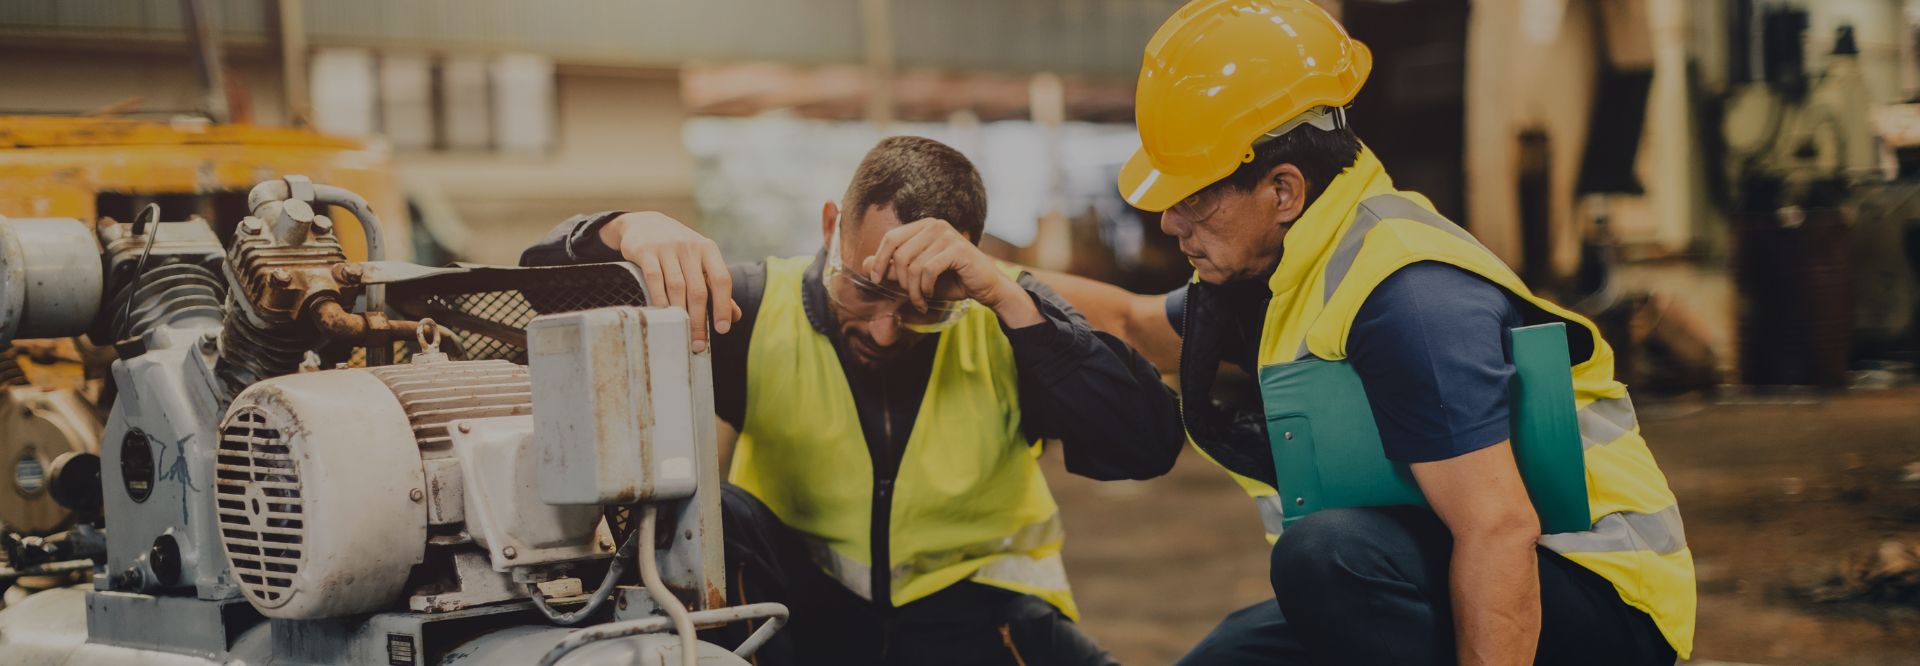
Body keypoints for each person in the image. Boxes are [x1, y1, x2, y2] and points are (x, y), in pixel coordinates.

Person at [1044, 1, 1697, 664]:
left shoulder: (1408, 297)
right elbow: (1131, 322)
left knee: (1326, 558)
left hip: (1601, 598)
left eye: (1195, 199)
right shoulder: (1287, 268)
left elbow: (1498, 529)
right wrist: (985, 274)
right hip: (1450, 553)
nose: (1170, 223)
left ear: (1283, 191)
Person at [521, 136, 1183, 665]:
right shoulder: (751, 309)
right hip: (807, 617)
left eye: (924, 304)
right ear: (833, 224)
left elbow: (1146, 445)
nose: (884, 329)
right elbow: (532, 297)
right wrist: (618, 232)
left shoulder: (1005, 316)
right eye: (865, 288)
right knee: (717, 506)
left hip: (981, 617)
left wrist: (1014, 303)